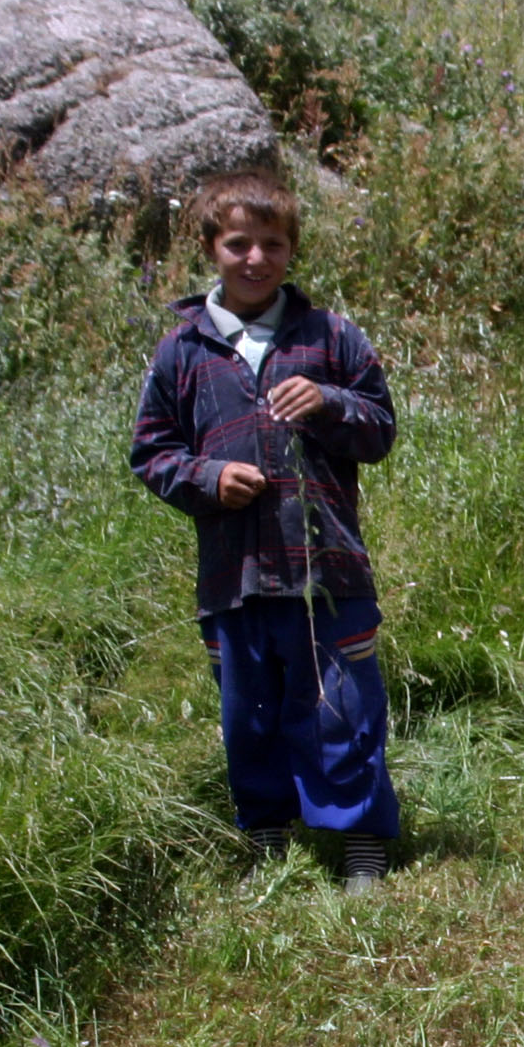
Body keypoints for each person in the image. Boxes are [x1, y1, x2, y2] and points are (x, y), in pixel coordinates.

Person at [131, 169, 403, 894]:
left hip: (328, 570)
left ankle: (362, 847)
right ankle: (268, 839)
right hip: (236, 574)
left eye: (273, 244)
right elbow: (152, 454)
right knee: (249, 714)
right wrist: (207, 479)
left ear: (292, 251)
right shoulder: (181, 352)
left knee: (342, 707)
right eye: (238, 244)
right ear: (211, 248)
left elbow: (380, 431)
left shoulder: (331, 336)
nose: (256, 259)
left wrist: (330, 402)